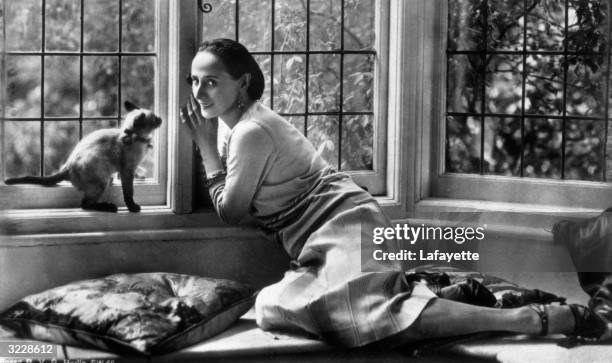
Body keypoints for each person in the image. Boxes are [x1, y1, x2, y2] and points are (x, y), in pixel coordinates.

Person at [179, 38, 611, 348]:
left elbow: (232, 212)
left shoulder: (250, 131)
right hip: (325, 236)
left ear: (244, 83)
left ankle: (530, 318)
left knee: (365, 315)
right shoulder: (236, 125)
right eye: (194, 81)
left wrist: (202, 148)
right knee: (274, 306)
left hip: (344, 225)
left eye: (211, 82)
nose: (199, 92)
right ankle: (441, 292)